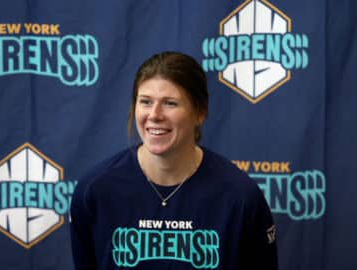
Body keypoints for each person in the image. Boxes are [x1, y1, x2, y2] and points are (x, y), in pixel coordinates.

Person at [70, 51, 277, 269]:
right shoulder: (95, 191)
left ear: (200, 112)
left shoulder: (240, 197)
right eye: (146, 102)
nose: (155, 114)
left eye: (170, 103)